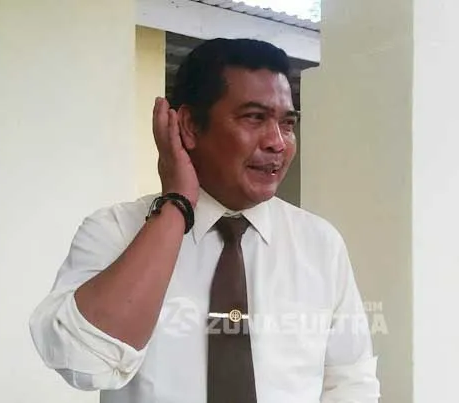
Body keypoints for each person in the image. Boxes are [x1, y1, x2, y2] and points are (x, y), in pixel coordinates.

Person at [29, 38, 380, 403]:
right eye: (254, 118)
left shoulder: (319, 244)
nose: (277, 142)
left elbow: (350, 382)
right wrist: (177, 204)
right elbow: (84, 363)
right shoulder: (116, 231)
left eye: (287, 123)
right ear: (190, 126)